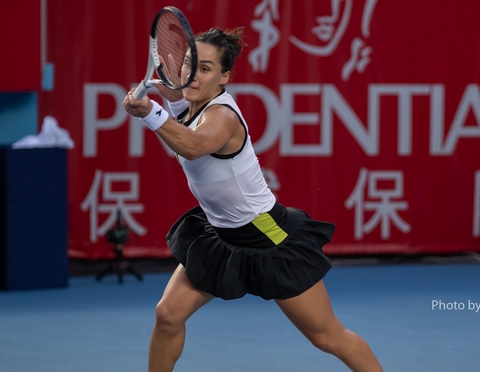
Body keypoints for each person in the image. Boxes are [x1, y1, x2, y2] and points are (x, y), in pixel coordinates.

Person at [122, 27, 384, 372]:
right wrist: (165, 95)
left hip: (266, 235)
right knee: (168, 315)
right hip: (220, 235)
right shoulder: (189, 101)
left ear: (224, 77)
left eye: (205, 69)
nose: (193, 75)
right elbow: (180, 107)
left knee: (327, 337)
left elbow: (193, 145)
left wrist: (149, 113)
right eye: (189, 64)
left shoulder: (222, 117)